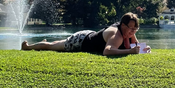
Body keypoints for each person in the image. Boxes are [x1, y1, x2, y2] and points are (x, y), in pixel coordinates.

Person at [21, 12, 150, 56]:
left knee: (55, 44)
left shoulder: (129, 31)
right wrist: (130, 52)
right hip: (81, 41)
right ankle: (28, 47)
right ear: (123, 25)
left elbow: (135, 46)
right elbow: (107, 51)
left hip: (91, 34)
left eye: (135, 30)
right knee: (53, 46)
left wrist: (144, 49)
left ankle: (43, 43)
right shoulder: (116, 35)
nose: (132, 32)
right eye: (130, 29)